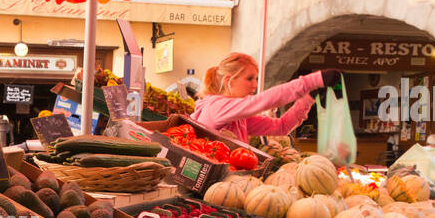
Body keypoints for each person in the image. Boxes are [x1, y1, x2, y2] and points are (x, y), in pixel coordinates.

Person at [141, 52, 335, 140]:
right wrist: (313, 80)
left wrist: (306, 99)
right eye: (249, 78)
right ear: (229, 81)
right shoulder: (216, 107)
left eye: (256, 78)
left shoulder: (238, 117)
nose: (254, 85)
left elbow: (281, 127)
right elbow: (263, 101)